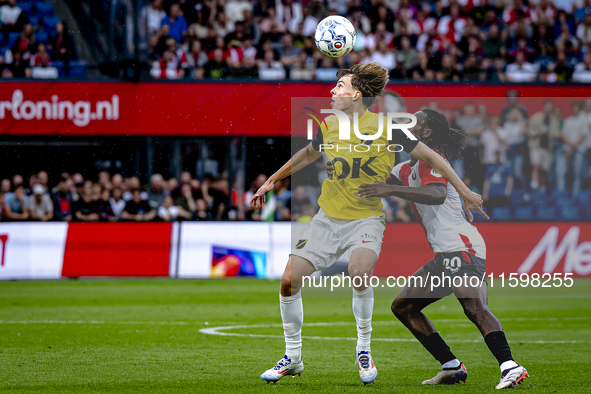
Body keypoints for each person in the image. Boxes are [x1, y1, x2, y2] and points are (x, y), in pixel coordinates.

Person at [251, 62, 487, 384]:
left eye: (340, 87)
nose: (333, 91)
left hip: (366, 219)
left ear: (357, 95)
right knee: (288, 280)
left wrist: (464, 192)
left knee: (358, 272)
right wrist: (271, 181)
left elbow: (434, 158)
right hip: (326, 220)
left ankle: (364, 350)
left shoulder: (388, 128)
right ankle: (292, 357)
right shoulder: (329, 125)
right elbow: (307, 154)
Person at [345, 109, 528, 390]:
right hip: (445, 254)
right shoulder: (404, 169)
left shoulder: (434, 161)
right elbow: (374, 183)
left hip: (463, 246)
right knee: (404, 307)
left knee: (473, 305)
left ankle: (510, 366)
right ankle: (451, 366)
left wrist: (390, 190)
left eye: (414, 121)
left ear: (426, 133)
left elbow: (437, 194)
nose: (407, 123)